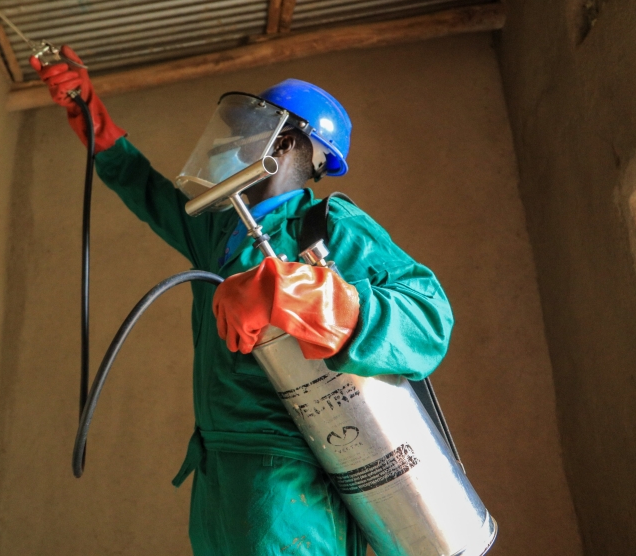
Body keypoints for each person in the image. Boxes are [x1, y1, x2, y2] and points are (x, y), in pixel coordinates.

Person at [32, 47, 454, 556]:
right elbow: (142, 186)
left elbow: (429, 319)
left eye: (249, 129)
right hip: (218, 475)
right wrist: (87, 109)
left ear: (289, 143)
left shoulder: (328, 227)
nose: (233, 142)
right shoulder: (218, 229)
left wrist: (304, 297)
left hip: (289, 484)